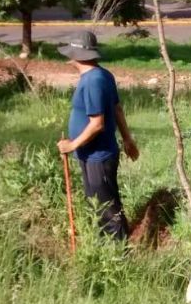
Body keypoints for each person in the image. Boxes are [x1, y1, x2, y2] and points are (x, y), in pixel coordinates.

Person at [56, 31, 139, 240]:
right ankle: (107, 246)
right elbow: (117, 109)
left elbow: (97, 124)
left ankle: (119, 253)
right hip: (93, 156)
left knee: (107, 209)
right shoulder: (102, 75)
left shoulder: (93, 81)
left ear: (77, 54)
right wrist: (128, 140)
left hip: (98, 157)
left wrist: (72, 145)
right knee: (99, 204)